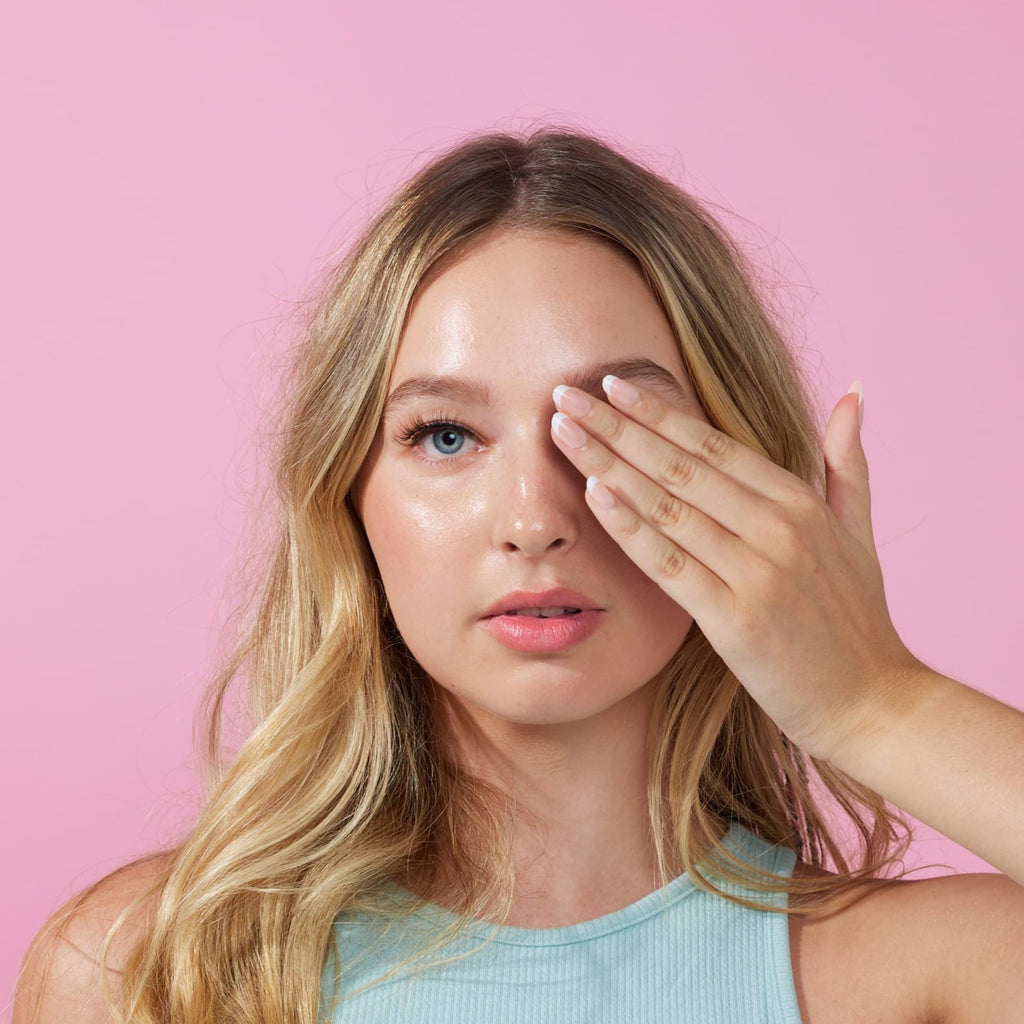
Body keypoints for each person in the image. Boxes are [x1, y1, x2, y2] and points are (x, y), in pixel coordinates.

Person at [13, 128, 1024, 1024]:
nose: (534, 521)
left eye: (613, 429)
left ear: (742, 476)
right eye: (445, 434)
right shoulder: (151, 973)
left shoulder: (930, 975)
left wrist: (876, 703)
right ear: (349, 499)